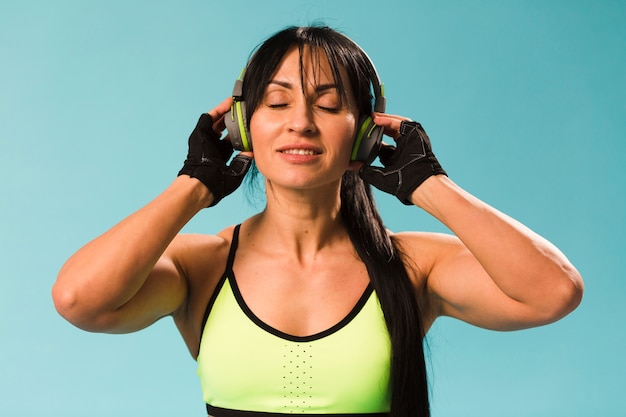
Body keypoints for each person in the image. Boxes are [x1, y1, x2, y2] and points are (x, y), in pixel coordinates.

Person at [52, 26, 583, 417]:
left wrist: (428, 184)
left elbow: (552, 292)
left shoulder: (414, 266)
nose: (301, 123)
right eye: (277, 102)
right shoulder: (203, 266)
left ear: (364, 132)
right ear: (241, 126)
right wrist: (192, 184)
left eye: (328, 106)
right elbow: (80, 299)